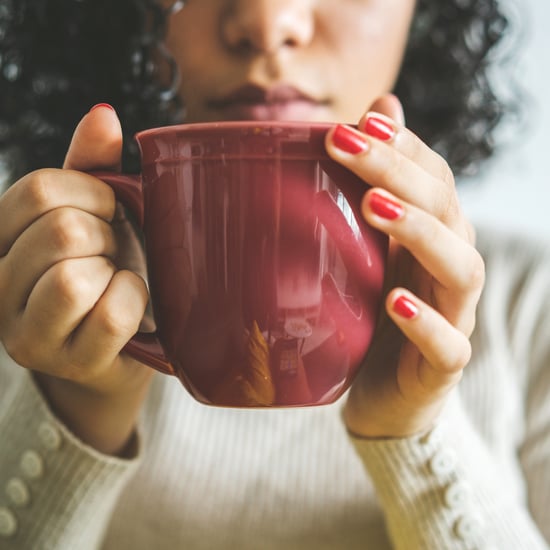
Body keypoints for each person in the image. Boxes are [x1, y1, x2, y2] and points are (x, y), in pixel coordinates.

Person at [0, 0, 549, 548]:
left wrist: (416, 433)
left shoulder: (534, 305)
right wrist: (74, 407)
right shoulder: (27, 298)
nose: (268, 22)